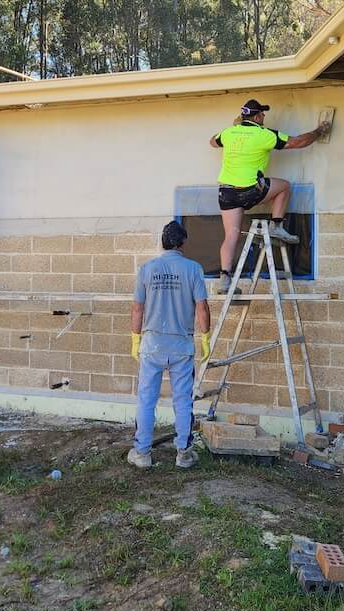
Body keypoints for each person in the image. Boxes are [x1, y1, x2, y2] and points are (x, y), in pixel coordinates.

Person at [209, 98, 330, 294]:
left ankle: (225, 280)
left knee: (231, 235)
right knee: (284, 186)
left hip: (226, 192)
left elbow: (212, 141)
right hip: (249, 191)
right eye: (262, 113)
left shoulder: (228, 132)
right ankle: (276, 226)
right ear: (256, 117)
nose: (264, 116)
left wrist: (234, 128)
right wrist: (318, 131)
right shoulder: (264, 134)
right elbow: (297, 142)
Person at [129, 221, 211, 470]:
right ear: (182, 243)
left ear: (162, 242)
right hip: (181, 347)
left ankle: (142, 454)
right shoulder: (193, 269)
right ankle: (183, 454)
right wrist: (205, 337)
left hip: (152, 345)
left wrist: (135, 338)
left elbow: (137, 308)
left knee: (146, 400)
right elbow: (202, 307)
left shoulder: (147, 269)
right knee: (183, 401)